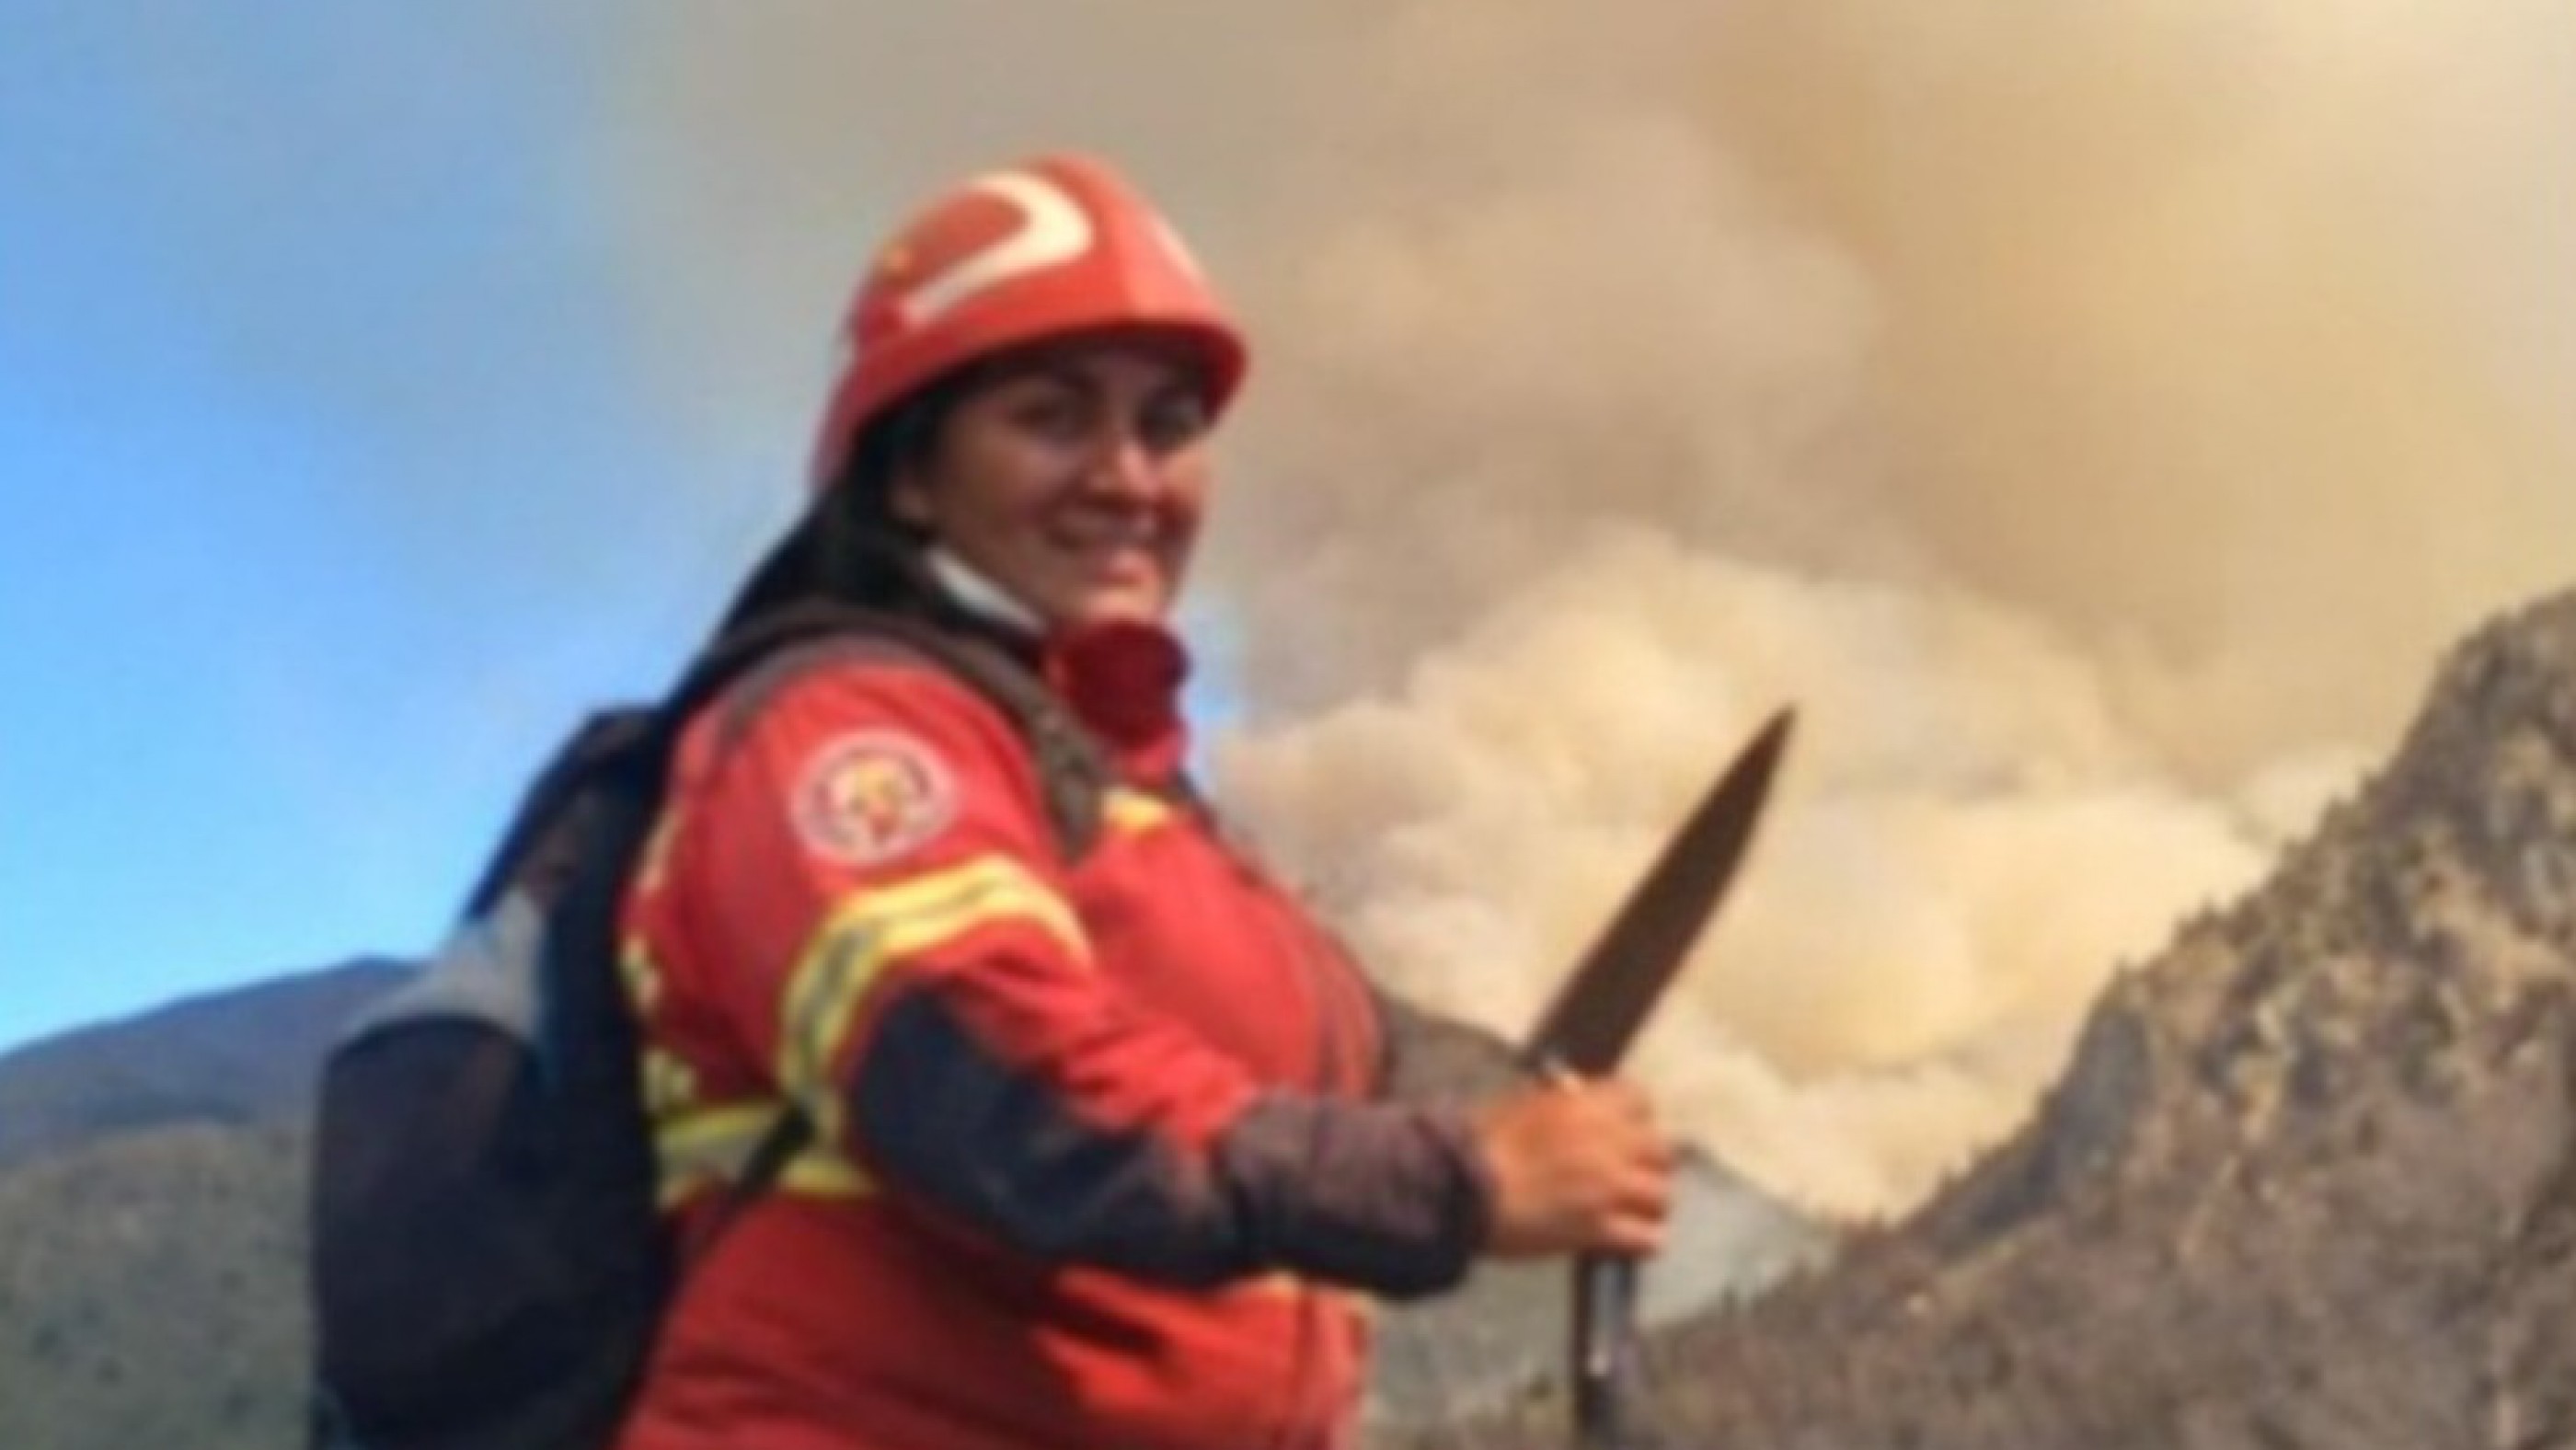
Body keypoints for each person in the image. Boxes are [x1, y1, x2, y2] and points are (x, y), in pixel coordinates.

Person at [612, 153, 1673, 1450]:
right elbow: (993, 1078)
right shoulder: (845, 733)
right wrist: (1462, 1181)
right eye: (1054, 418)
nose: (1128, 476)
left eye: (1167, 426)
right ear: (906, 473)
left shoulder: (1144, 809)